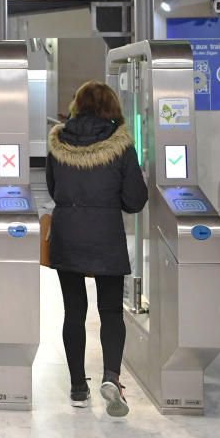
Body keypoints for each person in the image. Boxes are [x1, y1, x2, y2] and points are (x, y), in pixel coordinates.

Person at [46, 80, 147, 416]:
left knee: (74, 312)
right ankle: (111, 377)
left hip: (67, 233)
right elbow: (135, 201)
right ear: (111, 107)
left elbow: (52, 188)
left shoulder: (58, 141)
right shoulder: (121, 145)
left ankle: (77, 387)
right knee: (110, 312)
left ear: (77, 105)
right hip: (106, 235)